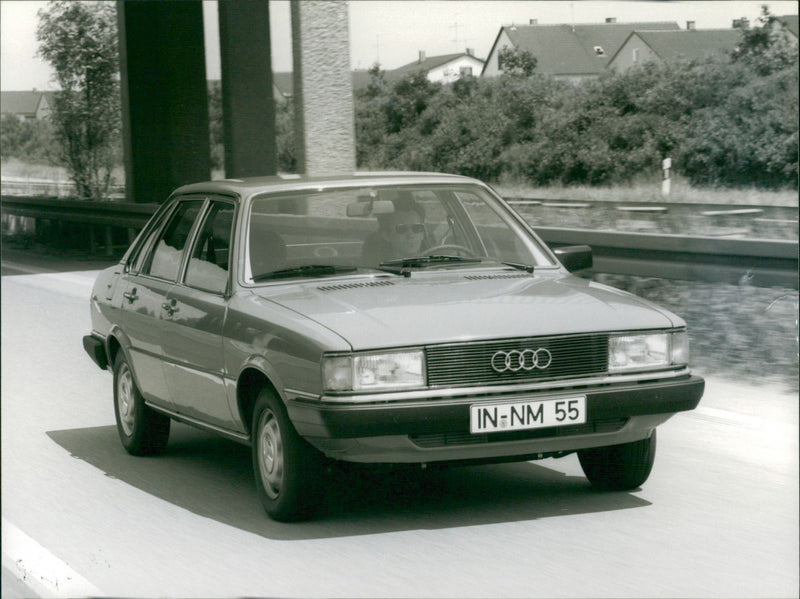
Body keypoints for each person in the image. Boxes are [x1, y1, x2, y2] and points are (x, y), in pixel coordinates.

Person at [362, 197, 426, 264]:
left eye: (416, 228)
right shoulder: (377, 269)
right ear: (386, 236)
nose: (411, 235)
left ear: (422, 234)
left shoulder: (436, 263)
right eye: (402, 229)